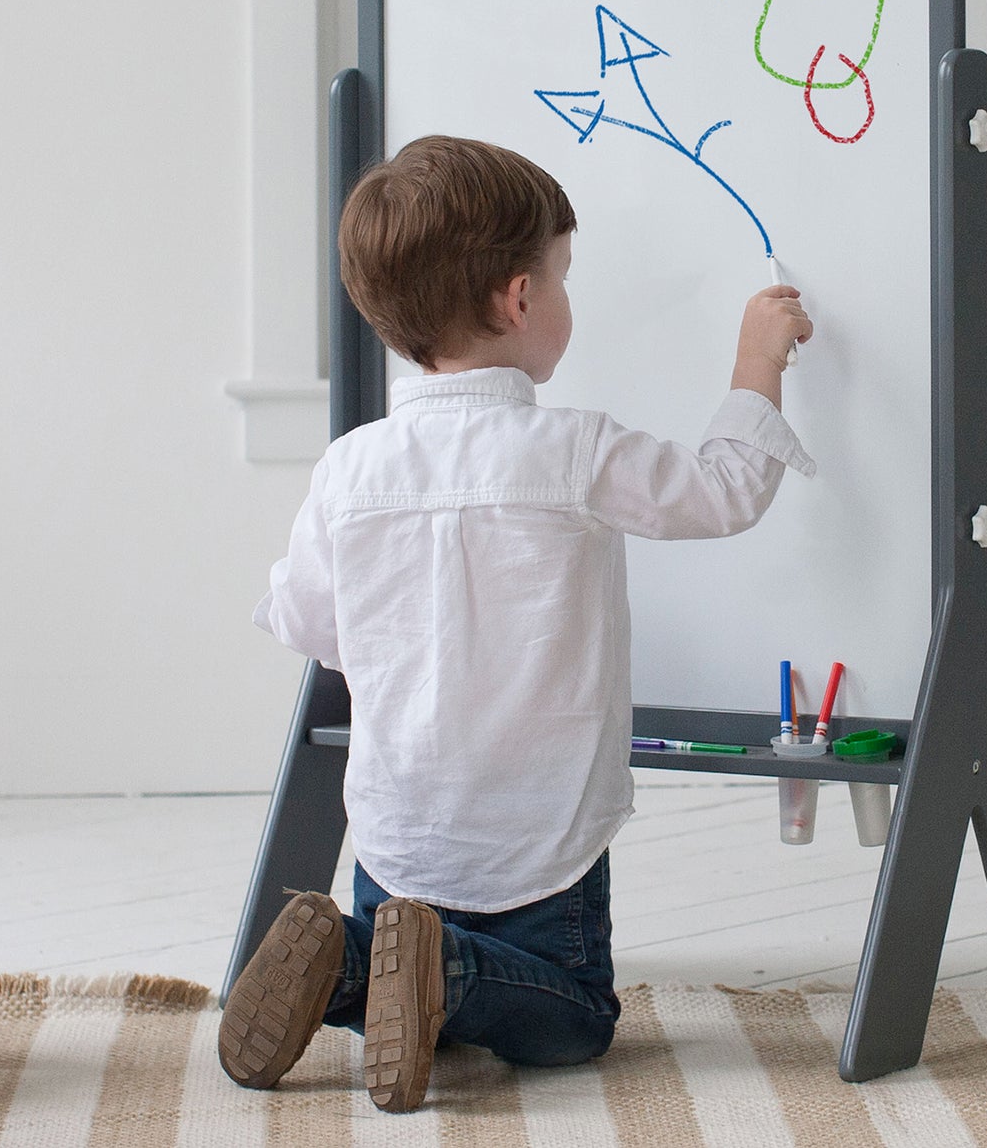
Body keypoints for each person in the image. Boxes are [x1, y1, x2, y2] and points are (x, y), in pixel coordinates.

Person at [220, 135, 814, 1112]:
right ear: (518, 299)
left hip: (397, 831)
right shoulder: (569, 448)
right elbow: (720, 494)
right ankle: (441, 970)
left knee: (408, 967)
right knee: (572, 1020)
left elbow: (312, 623)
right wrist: (756, 360)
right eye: (562, 277)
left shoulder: (350, 469)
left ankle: (348, 964)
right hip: (537, 837)